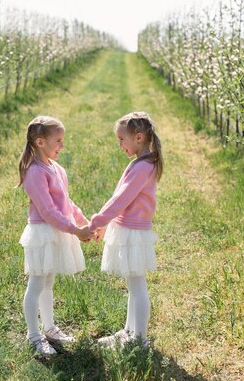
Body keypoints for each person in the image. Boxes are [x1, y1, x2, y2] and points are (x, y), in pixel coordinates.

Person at [17, 115, 92, 356]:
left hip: (58, 229)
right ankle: (33, 335)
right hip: (43, 233)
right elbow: (48, 210)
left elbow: (65, 201)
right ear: (40, 142)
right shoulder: (35, 172)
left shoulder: (55, 168)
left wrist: (83, 222)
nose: (62, 145)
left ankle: (49, 327)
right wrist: (75, 230)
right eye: (58, 141)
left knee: (48, 282)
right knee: (37, 283)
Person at [89, 111, 163, 348]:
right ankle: (129, 331)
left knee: (137, 285)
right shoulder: (140, 163)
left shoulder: (143, 167)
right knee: (133, 285)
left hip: (133, 232)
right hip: (127, 228)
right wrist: (106, 222)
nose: (120, 144)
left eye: (122, 139)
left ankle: (139, 340)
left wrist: (98, 221)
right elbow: (120, 200)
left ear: (138, 138)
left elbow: (120, 200)